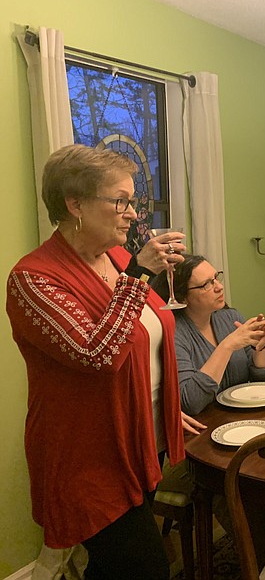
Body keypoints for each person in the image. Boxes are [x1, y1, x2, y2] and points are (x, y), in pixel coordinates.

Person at [6, 144, 200, 579]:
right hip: (87, 458)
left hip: (140, 440)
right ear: (75, 204)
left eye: (132, 201)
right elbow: (99, 354)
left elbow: (144, 341)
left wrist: (164, 406)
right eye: (120, 201)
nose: (131, 213)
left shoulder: (114, 259)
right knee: (146, 569)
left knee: (115, 569)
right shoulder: (33, 279)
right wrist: (139, 275)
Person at [153, 254, 265, 416]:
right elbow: (190, 402)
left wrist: (260, 347)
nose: (219, 287)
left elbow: (263, 380)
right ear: (182, 296)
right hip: (203, 426)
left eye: (216, 278)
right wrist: (227, 346)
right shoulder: (176, 332)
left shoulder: (230, 317)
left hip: (241, 417)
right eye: (206, 285)